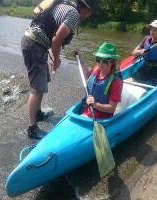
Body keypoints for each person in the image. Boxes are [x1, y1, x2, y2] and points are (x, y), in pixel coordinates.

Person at [21, 0, 99, 139]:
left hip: (36, 44)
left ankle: (38, 113)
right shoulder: (74, 14)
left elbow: (54, 35)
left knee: (43, 80)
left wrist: (53, 54)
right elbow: (56, 39)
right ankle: (32, 129)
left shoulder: (66, 5)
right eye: (91, 11)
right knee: (37, 88)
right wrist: (56, 59)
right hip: (35, 45)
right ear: (86, 9)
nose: (90, 15)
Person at [74, 42, 123, 119]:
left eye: (105, 61)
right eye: (98, 59)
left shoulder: (116, 81)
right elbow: (88, 76)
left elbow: (112, 108)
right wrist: (80, 60)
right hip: (88, 110)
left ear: (113, 61)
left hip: (101, 117)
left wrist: (95, 105)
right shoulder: (97, 68)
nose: (101, 64)